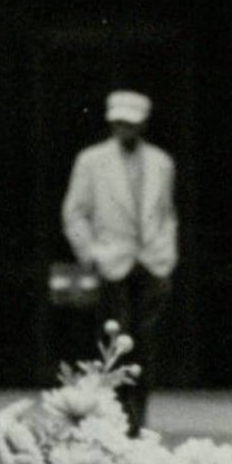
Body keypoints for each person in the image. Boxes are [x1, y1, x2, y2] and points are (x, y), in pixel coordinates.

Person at [58, 89, 176, 417]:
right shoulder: (92, 161)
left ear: (142, 125)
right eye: (119, 124)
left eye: (131, 124)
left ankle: (139, 415)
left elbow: (166, 214)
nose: (125, 130)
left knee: (145, 345)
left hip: (150, 263)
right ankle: (114, 415)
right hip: (111, 264)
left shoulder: (161, 163)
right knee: (112, 344)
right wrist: (91, 253)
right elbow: (75, 212)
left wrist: (165, 258)